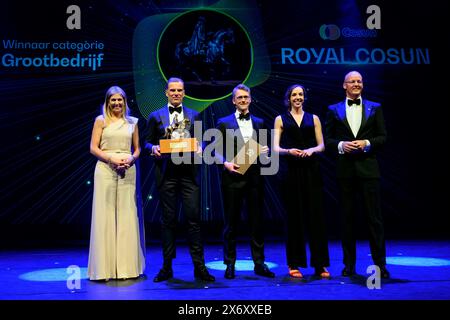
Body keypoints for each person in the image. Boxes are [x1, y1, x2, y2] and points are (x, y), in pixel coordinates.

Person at [145, 77, 215, 282]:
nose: (176, 93)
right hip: (167, 175)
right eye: (172, 90)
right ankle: (166, 267)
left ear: (184, 93)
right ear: (166, 92)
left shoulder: (194, 115)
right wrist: (154, 148)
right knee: (168, 222)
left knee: (193, 221)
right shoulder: (155, 116)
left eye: (179, 90)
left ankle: (199, 267)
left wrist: (200, 146)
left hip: (189, 175)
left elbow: (200, 139)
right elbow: (147, 143)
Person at [324, 71, 390, 278]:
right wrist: (342, 145)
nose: (356, 84)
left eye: (359, 81)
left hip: (369, 170)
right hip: (345, 172)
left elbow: (383, 137)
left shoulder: (375, 107)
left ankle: (380, 265)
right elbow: (327, 140)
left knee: (375, 220)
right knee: (347, 220)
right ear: (344, 85)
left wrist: (367, 143)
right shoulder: (333, 109)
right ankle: (349, 265)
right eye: (352, 81)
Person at [214, 84, 275, 279]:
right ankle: (230, 263)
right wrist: (225, 163)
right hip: (232, 178)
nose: (242, 100)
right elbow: (213, 149)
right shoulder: (223, 122)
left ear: (250, 99)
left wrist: (265, 151)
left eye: (245, 97)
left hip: (255, 178)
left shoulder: (259, 121)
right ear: (233, 100)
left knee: (257, 222)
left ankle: (259, 262)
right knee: (231, 223)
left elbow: (265, 150)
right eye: (239, 97)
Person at [88, 86, 145, 281]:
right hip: (105, 168)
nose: (117, 103)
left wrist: (130, 160)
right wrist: (111, 160)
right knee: (105, 214)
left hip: (128, 170)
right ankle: (103, 269)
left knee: (127, 214)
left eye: (120, 100)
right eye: (113, 100)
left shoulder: (132, 122)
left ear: (125, 101)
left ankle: (126, 269)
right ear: (107, 102)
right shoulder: (100, 121)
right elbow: (93, 148)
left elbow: (137, 149)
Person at [273, 84, 330, 279]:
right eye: (294, 94)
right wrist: (289, 151)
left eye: (301, 94)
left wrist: (311, 150)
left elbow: (322, 145)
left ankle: (320, 264)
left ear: (304, 97)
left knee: (316, 217)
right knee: (294, 218)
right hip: (291, 171)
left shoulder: (314, 118)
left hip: (311, 171)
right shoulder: (280, 119)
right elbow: (275, 147)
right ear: (288, 98)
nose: (298, 97)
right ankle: (294, 263)